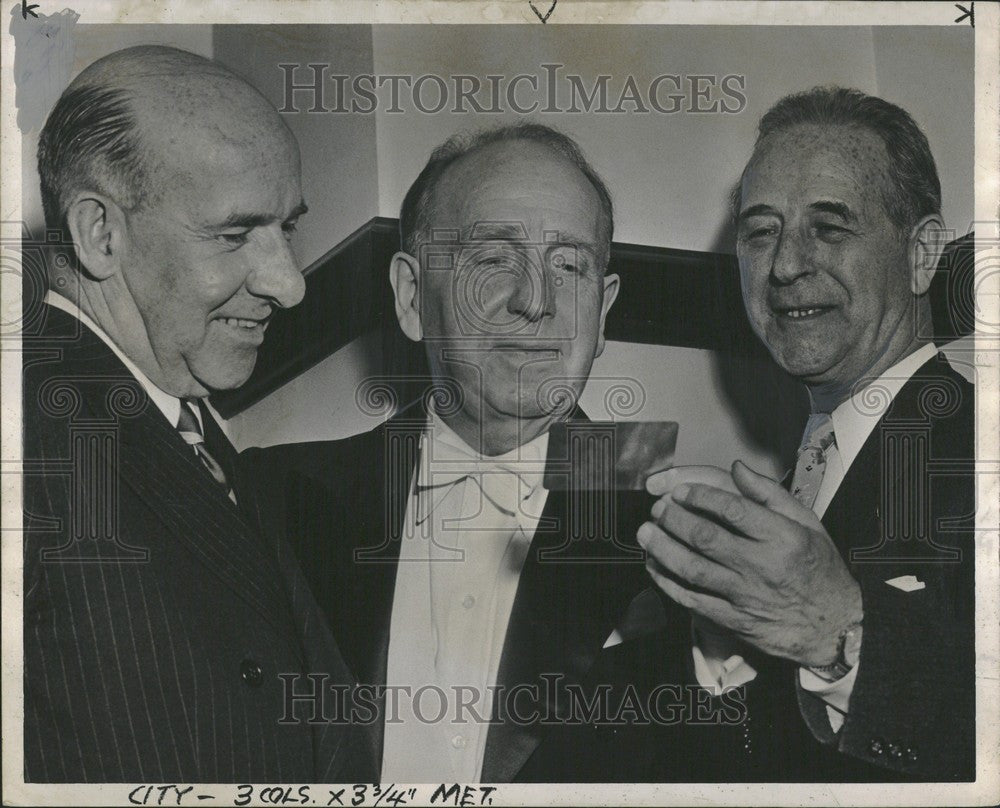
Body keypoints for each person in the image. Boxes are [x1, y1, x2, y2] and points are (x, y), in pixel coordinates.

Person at [242, 123, 697, 783]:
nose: (535, 300)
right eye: (491, 259)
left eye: (570, 265)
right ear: (410, 297)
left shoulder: (686, 524)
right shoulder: (274, 499)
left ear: (603, 314)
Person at [23, 45, 374, 782]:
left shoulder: (192, 435)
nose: (289, 286)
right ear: (100, 234)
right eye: (234, 234)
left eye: (288, 230)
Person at [639, 87, 975, 781]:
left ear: (922, 254)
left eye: (829, 228)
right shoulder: (796, 481)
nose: (786, 265)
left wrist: (840, 634)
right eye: (761, 232)